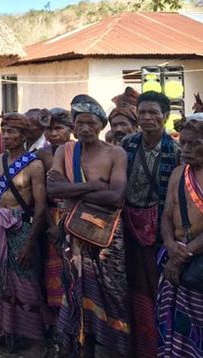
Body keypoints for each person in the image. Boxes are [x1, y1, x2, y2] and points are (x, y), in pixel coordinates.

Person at [47, 94, 130, 357]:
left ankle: (117, 348)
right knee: (76, 290)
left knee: (112, 292)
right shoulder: (65, 151)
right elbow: (52, 189)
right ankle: (82, 348)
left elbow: (116, 196)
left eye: (90, 123)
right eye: (79, 123)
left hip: (107, 237)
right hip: (74, 234)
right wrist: (95, 186)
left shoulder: (115, 153)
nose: (85, 128)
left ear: (101, 124)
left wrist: (73, 191)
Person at [120, 92, 180, 358]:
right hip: (127, 226)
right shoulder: (127, 144)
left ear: (165, 116)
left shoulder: (176, 151)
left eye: (153, 112)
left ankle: (157, 346)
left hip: (159, 230)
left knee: (157, 288)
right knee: (129, 284)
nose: (146, 118)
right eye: (142, 112)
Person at [0, 113, 47, 357]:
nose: (6, 136)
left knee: (25, 284)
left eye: (12, 132)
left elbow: (40, 207)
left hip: (22, 230)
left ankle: (34, 340)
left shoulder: (34, 165)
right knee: (0, 282)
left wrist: (30, 244)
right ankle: (5, 333)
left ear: (24, 135)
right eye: (4, 131)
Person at [156, 116, 203, 358]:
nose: (185, 149)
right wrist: (169, 245)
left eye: (193, 144)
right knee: (176, 323)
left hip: (196, 262)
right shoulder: (178, 173)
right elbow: (166, 214)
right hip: (176, 254)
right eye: (183, 143)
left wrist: (182, 255)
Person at [38, 108, 73, 324]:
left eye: (58, 128)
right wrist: (51, 225)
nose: (53, 134)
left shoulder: (78, 152)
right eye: (49, 129)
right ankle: (52, 324)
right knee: (48, 269)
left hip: (73, 215)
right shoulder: (41, 155)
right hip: (49, 215)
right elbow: (41, 195)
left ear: (70, 129)